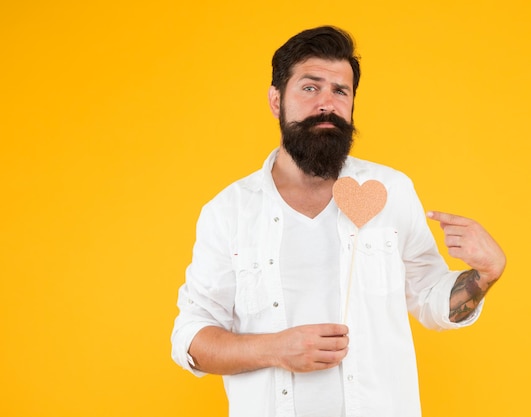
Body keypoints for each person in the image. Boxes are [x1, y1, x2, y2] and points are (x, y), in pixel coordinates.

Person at [171, 25, 506, 417]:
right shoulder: (228, 212)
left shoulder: (392, 191)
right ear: (276, 100)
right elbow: (191, 338)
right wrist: (276, 349)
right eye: (310, 88)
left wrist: (484, 276)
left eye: (340, 90)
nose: (326, 103)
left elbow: (431, 298)